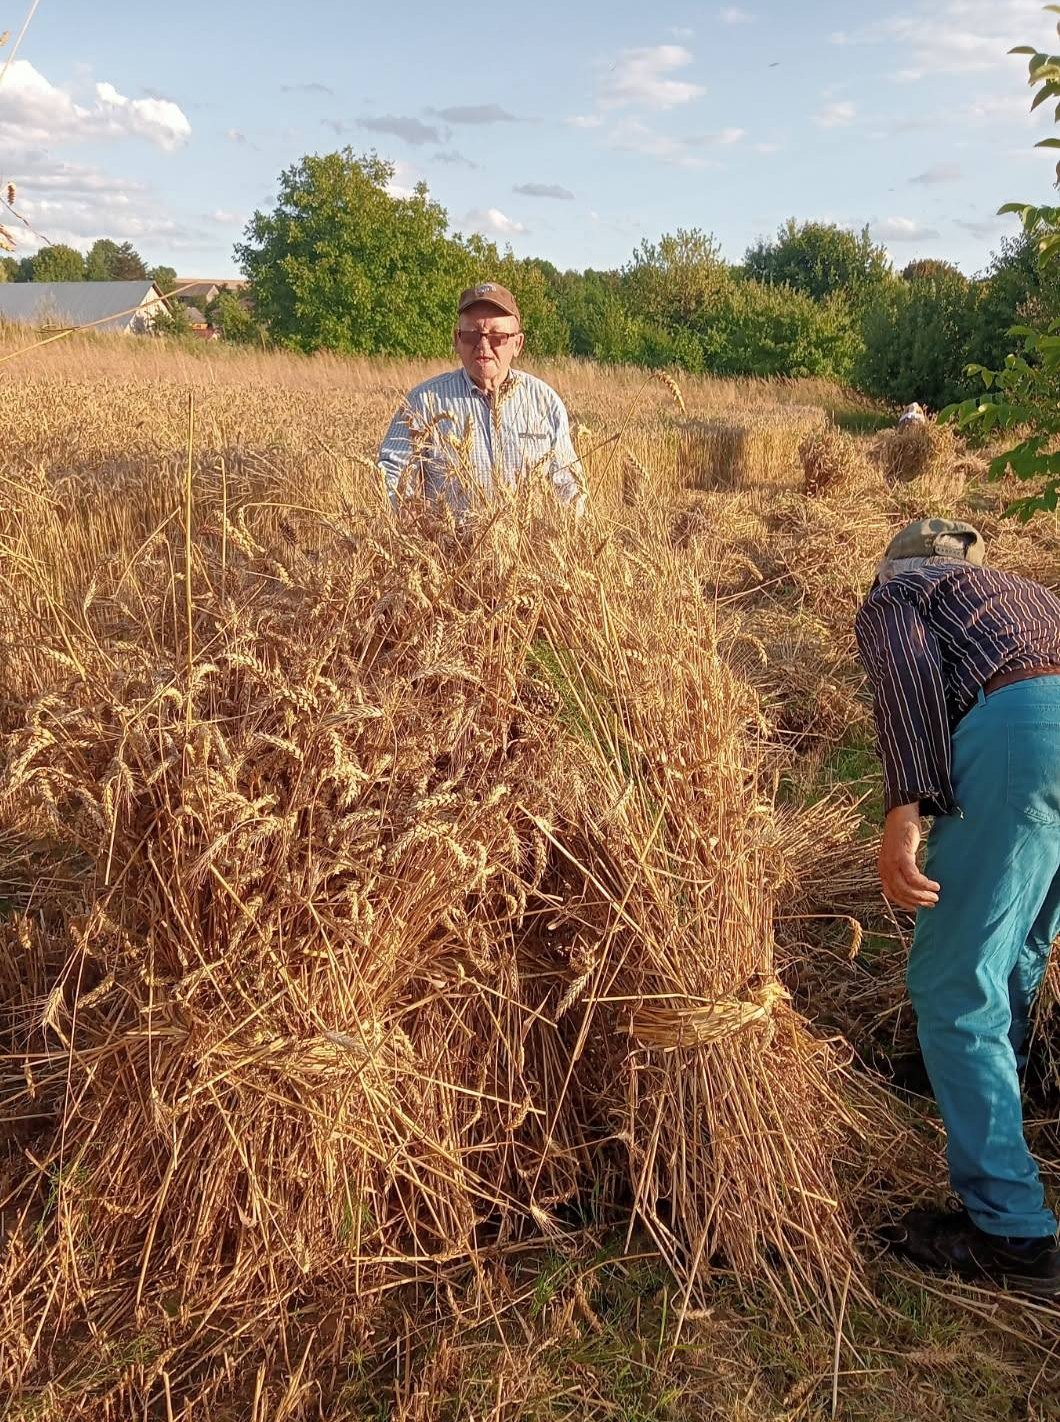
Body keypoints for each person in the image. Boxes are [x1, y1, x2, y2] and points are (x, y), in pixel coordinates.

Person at [855, 518, 1060, 1296]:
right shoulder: (1027, 593)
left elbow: (906, 685)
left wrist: (902, 817)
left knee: (953, 988)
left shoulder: (898, 592)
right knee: (1025, 936)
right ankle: (999, 1076)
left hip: (1025, 736)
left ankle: (1011, 1231)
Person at [378, 281, 584, 516]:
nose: (483, 345)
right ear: (457, 339)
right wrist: (417, 535)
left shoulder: (545, 402)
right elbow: (391, 478)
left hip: (527, 550)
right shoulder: (423, 402)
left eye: (497, 337)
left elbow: (569, 488)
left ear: (518, 344)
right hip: (448, 550)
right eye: (471, 335)